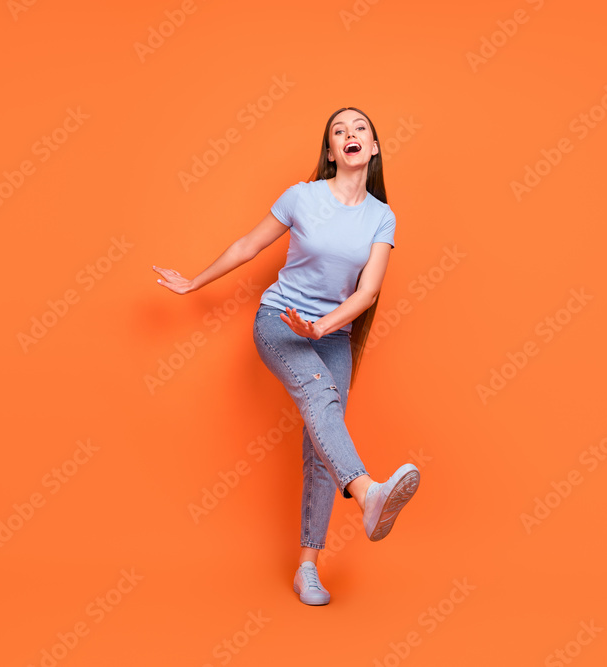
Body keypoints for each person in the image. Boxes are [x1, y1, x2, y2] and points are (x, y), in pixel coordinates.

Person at [152, 107, 420, 606]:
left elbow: (365, 294)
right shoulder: (302, 196)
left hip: (331, 336)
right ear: (331, 151)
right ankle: (369, 495)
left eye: (360, 128)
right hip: (279, 324)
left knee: (323, 443)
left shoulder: (382, 217)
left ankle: (306, 570)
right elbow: (248, 246)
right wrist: (194, 282)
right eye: (339, 131)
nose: (350, 135)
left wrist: (321, 326)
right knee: (321, 397)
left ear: (374, 147)